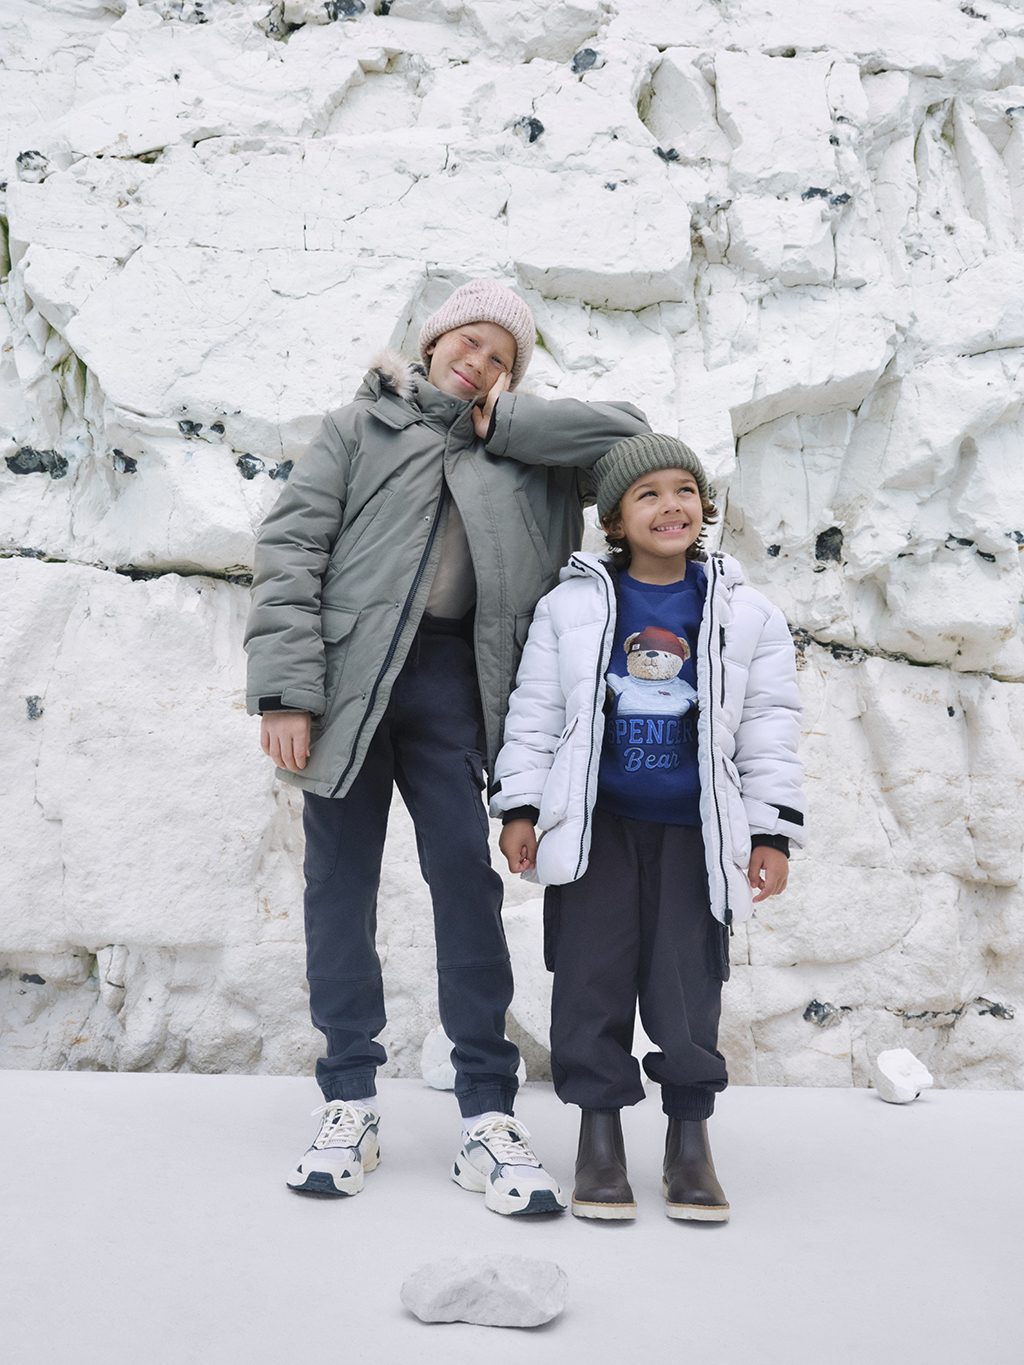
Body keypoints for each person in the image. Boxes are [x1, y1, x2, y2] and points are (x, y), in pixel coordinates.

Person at [244, 279, 649, 1214]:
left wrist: (504, 426)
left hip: (452, 686)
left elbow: (627, 435)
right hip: (348, 685)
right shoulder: (359, 430)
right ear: (431, 344)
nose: (480, 361)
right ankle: (349, 1096)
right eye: (469, 343)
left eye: (501, 357)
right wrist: (286, 691)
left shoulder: (524, 455)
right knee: (337, 884)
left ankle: (486, 1112)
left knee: (464, 878)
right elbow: (292, 552)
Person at [493, 432, 807, 1221]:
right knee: (590, 985)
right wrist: (522, 807)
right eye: (648, 494)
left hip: (696, 839)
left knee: (686, 989)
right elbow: (535, 715)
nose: (670, 505)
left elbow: (769, 724)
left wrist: (770, 832)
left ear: (703, 506)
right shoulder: (571, 606)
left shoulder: (745, 611)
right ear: (614, 518)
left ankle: (688, 1141)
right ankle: (598, 1139)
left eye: (684, 490)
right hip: (595, 833)